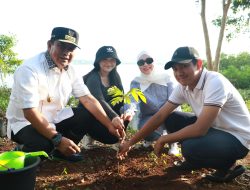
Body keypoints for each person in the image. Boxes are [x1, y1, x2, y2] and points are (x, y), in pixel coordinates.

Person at [118, 46, 250, 182]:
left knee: (190, 148)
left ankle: (227, 166)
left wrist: (164, 139)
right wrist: (130, 142)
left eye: (184, 66)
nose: (179, 73)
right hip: (216, 129)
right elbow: (160, 116)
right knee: (172, 118)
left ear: (198, 64)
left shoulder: (215, 82)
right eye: (175, 68)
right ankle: (195, 161)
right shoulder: (184, 86)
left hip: (237, 138)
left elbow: (200, 129)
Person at [6, 27, 125, 162]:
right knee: (43, 146)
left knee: (86, 113)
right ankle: (22, 149)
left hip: (54, 119)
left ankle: (62, 153)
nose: (66, 53)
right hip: (25, 123)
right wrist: (57, 139)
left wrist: (109, 125)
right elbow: (29, 113)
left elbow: (88, 100)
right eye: (61, 46)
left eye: (71, 49)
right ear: (50, 45)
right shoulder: (29, 70)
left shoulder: (71, 71)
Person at [79, 46, 134, 150]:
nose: (109, 63)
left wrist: (128, 111)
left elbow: (121, 99)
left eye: (112, 60)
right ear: (98, 61)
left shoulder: (115, 76)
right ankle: (88, 135)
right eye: (105, 59)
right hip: (93, 117)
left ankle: (118, 139)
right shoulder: (93, 78)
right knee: (109, 136)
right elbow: (99, 100)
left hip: (108, 115)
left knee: (126, 114)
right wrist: (114, 117)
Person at [130, 51, 179, 155]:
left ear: (154, 62)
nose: (145, 65)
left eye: (149, 61)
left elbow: (174, 100)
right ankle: (150, 138)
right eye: (141, 63)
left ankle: (172, 142)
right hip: (149, 117)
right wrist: (129, 110)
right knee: (145, 128)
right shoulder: (136, 82)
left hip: (168, 114)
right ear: (138, 66)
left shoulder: (166, 78)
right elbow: (132, 100)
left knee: (173, 119)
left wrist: (164, 114)